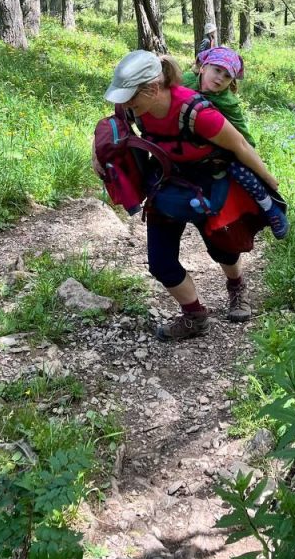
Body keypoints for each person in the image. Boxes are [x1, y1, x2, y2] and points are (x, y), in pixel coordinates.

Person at [96, 50, 283, 342]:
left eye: (130, 97)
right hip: (166, 185)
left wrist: (270, 183)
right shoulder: (133, 106)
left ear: (152, 89)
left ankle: (236, 286)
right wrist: (98, 156)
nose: (125, 103)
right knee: (160, 263)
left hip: (209, 186)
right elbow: (115, 127)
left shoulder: (197, 113)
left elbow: (240, 145)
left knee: (223, 249)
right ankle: (195, 317)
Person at [182, 46, 288, 238]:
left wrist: (250, 156)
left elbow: (243, 137)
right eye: (217, 70)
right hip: (188, 143)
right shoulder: (185, 81)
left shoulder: (227, 102)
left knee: (238, 170)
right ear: (203, 67)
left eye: (227, 76)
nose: (220, 78)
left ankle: (270, 208)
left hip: (219, 148)